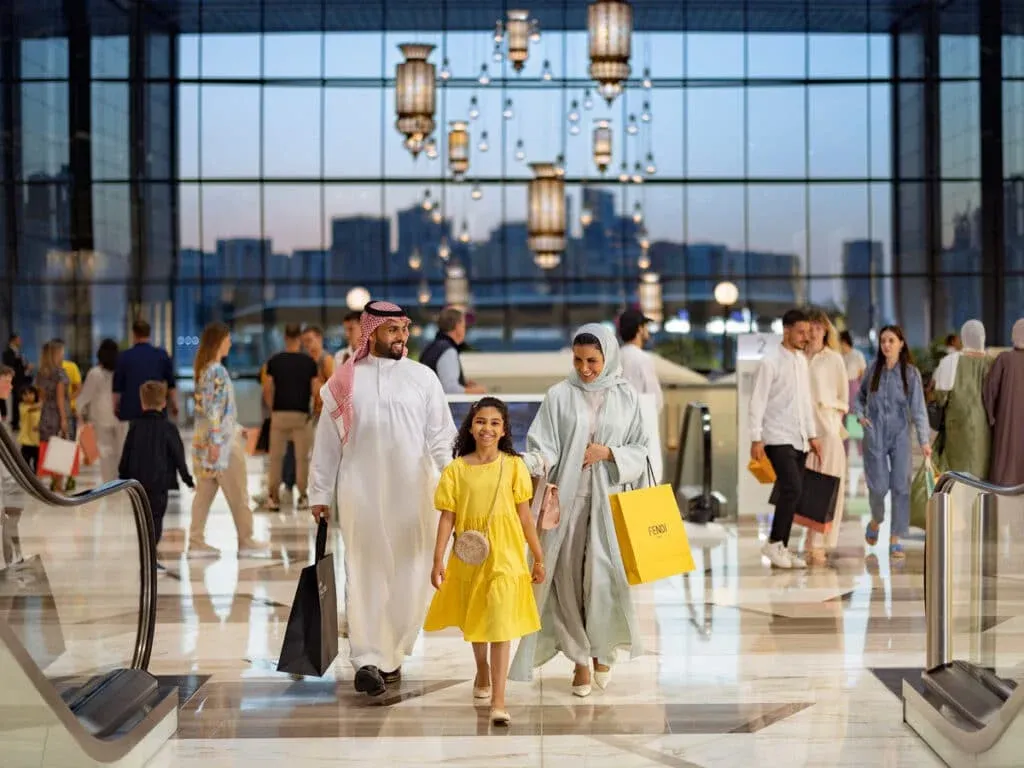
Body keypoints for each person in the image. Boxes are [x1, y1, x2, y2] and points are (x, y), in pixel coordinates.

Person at [308, 300, 457, 697]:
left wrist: (455, 481)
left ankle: (394, 652)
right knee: (365, 571)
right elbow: (326, 443)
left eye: (404, 329)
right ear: (370, 332)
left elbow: (442, 437)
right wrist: (320, 491)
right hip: (361, 490)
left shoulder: (422, 378)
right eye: (392, 330)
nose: (401, 337)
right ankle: (368, 658)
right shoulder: (343, 382)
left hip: (414, 492)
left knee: (411, 573)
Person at [508, 323, 650, 696]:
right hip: (566, 504)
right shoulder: (558, 395)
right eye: (578, 360)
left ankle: (604, 650)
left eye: (592, 360)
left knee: (603, 582)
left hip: (610, 503)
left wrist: (609, 453)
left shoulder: (626, 396)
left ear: (608, 358)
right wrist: (528, 462)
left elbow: (642, 447)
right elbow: (545, 444)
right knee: (566, 582)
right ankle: (581, 661)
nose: (585, 368)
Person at [424, 397, 544, 726]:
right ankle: (481, 669)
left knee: (501, 623)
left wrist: (537, 555)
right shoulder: (457, 470)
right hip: (470, 555)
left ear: (504, 429)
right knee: (477, 618)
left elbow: (525, 516)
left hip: (506, 555)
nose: (486, 428)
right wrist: (437, 559)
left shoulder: (515, 466)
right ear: (470, 426)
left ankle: (499, 701)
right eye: (480, 421)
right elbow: (447, 518)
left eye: (494, 423)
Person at [748, 309, 821, 570]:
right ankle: (774, 542)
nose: (805, 337)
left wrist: (812, 435)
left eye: (807, 332)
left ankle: (782, 546)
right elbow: (757, 400)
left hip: (799, 437)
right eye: (801, 332)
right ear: (786, 330)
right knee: (792, 488)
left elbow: (805, 402)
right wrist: (756, 438)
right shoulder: (770, 361)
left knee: (792, 493)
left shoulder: (801, 361)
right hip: (776, 435)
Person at [853, 325, 931, 559]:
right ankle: (876, 520)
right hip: (874, 433)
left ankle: (896, 538)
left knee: (900, 486)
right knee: (878, 487)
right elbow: (859, 398)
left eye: (891, 340)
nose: (886, 345)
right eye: (883, 341)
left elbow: (919, 410)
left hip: (900, 435)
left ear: (901, 344)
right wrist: (860, 416)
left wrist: (924, 441)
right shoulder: (871, 370)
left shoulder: (911, 374)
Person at [189, 322, 266, 559]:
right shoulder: (217, 371)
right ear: (218, 341)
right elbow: (214, 411)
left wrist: (237, 428)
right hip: (221, 446)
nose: (230, 343)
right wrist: (216, 442)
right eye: (227, 339)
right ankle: (246, 540)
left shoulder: (206, 371)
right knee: (239, 493)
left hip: (211, 442)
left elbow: (216, 410)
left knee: (204, 493)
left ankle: (196, 541)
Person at [119, 381, 195, 550]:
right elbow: (178, 456)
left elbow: (127, 452)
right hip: (160, 481)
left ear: (142, 402)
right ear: (164, 403)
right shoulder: (168, 428)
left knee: (141, 517)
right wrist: (187, 479)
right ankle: (151, 553)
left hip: (137, 481)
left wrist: (122, 476)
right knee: (156, 518)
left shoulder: (135, 425)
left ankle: (145, 552)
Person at [803, 310, 849, 566]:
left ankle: (819, 541)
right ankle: (809, 536)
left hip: (827, 428)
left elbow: (843, 397)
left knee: (826, 485)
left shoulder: (833, 359)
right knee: (805, 486)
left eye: (818, 327)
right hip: (801, 430)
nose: (813, 332)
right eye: (809, 328)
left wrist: (832, 425)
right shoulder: (798, 357)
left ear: (825, 330)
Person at [263, 324, 318, 511]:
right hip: (301, 415)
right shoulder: (309, 362)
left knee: (276, 458)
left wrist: (273, 408)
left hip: (280, 414)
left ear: (285, 338)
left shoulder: (275, 361)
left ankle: (273, 498)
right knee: (302, 458)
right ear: (299, 339)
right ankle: (303, 496)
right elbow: (315, 390)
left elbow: (268, 388)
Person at [930, 319, 991, 479]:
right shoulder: (993, 362)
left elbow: (940, 398)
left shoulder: (951, 361)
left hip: (957, 430)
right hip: (986, 433)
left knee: (955, 477)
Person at [77, 339, 124, 484]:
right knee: (120, 450)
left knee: (105, 452)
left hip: (100, 416)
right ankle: (120, 480)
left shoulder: (95, 373)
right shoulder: (121, 370)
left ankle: (109, 483)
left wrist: (78, 410)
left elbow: (86, 396)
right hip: (120, 415)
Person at [984, 319, 1024, 486]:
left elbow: (989, 391)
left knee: (1005, 468)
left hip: (1006, 425)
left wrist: (991, 418)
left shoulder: (1004, 359)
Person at [113, 319, 178, 424]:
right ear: (149, 333)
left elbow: (117, 388)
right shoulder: (161, 355)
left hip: (131, 410)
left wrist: (115, 407)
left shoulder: (124, 357)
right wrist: (174, 405)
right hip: (156, 409)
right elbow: (171, 384)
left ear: (134, 334)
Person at [420, 307, 486, 395]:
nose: (465, 330)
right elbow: (449, 389)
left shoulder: (431, 347)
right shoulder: (448, 351)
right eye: (464, 326)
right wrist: (476, 391)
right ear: (458, 326)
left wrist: (463, 384)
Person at [36, 341, 70, 491]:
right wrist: (64, 419)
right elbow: (60, 398)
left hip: (46, 415)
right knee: (61, 449)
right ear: (56, 354)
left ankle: (54, 483)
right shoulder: (60, 373)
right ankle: (58, 486)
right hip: (57, 414)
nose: (63, 354)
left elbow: (42, 397)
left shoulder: (42, 373)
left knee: (50, 449)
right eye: (61, 352)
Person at [0, 365, 25, 567]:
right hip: (5, 479)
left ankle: (13, 560)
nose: (11, 386)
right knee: (11, 516)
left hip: (8, 478)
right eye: (6, 381)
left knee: (13, 516)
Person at [618, 308, 663, 414]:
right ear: (640, 329)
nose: (647, 329)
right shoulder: (643, 359)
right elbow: (655, 401)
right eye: (645, 326)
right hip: (639, 423)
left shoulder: (614, 357)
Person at [839, 331, 867, 457]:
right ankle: (844, 451)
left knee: (854, 419)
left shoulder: (857, 355)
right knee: (842, 420)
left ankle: (860, 451)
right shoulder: (839, 356)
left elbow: (862, 373)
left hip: (854, 387)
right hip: (841, 389)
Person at [302, 324, 335, 423]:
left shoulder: (327, 360)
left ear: (319, 338)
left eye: (309, 340)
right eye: (304, 342)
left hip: (324, 412)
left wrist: (320, 387)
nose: (306, 345)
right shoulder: (308, 361)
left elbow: (335, 388)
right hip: (312, 412)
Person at [3, 334, 33, 431]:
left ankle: (17, 421)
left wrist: (26, 368)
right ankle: (15, 422)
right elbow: (10, 367)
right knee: (16, 401)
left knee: (18, 400)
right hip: (15, 380)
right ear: (13, 340)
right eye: (18, 339)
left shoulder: (19, 352)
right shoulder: (7, 353)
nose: (20, 341)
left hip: (21, 380)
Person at [17, 387, 41, 472]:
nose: (28, 396)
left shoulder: (40, 409)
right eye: (25, 394)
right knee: (25, 463)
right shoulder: (22, 406)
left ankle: (35, 478)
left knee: (37, 463)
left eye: (30, 393)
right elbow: (32, 408)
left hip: (37, 441)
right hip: (26, 440)